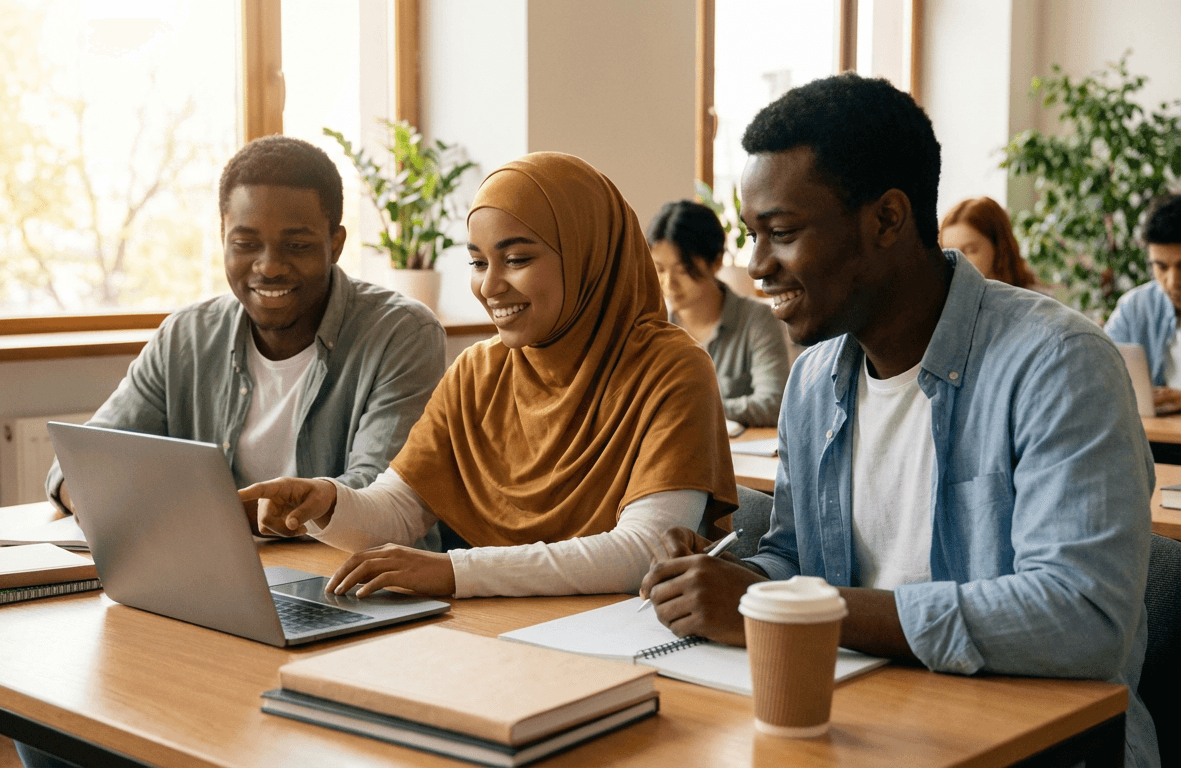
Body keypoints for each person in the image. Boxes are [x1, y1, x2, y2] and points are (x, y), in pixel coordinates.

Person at [639, 74, 1158, 767]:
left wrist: (798, 614)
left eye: (782, 233)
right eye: (752, 236)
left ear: (886, 219)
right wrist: (719, 579)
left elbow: (1081, 618)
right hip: (862, 722)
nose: (757, 267)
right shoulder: (816, 382)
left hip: (1041, 745)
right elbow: (798, 560)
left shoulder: (1058, 364)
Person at [239, 152, 738, 599]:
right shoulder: (480, 370)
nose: (490, 286)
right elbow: (399, 509)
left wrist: (455, 572)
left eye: (517, 259)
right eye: (478, 262)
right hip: (502, 629)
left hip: (625, 635)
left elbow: (644, 550)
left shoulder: (672, 368)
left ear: (588, 256)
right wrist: (327, 502)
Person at [44, 135, 446, 523]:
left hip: (351, 578)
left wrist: (184, 513)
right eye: (246, 244)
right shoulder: (185, 338)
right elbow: (78, 461)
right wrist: (86, 491)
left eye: (298, 245)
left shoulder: (403, 333)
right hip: (219, 570)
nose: (269, 266)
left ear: (335, 244)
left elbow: (375, 499)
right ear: (223, 238)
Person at [646, 200, 789, 427]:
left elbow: (774, 404)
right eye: (660, 269)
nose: (668, 284)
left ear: (716, 262)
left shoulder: (756, 319)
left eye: (683, 271)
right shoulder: (652, 324)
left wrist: (685, 406)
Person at [1105, 194, 1181, 416]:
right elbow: (1096, 375)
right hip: (1152, 442)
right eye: (1161, 266)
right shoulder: (1135, 308)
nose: (1172, 281)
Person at [938, 196, 1038, 289]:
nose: (957, 262)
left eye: (970, 250)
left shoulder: (1035, 303)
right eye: (948, 253)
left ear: (999, 247)